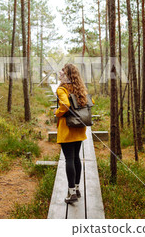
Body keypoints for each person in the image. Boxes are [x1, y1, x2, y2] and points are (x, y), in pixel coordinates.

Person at [54, 63, 94, 204]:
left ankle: (71, 193)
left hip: (68, 128)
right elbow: (91, 101)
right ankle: (77, 189)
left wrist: (57, 113)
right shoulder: (81, 88)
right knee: (76, 158)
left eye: (62, 71)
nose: (59, 73)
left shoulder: (62, 89)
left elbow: (65, 105)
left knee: (69, 159)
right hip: (80, 127)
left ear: (66, 75)